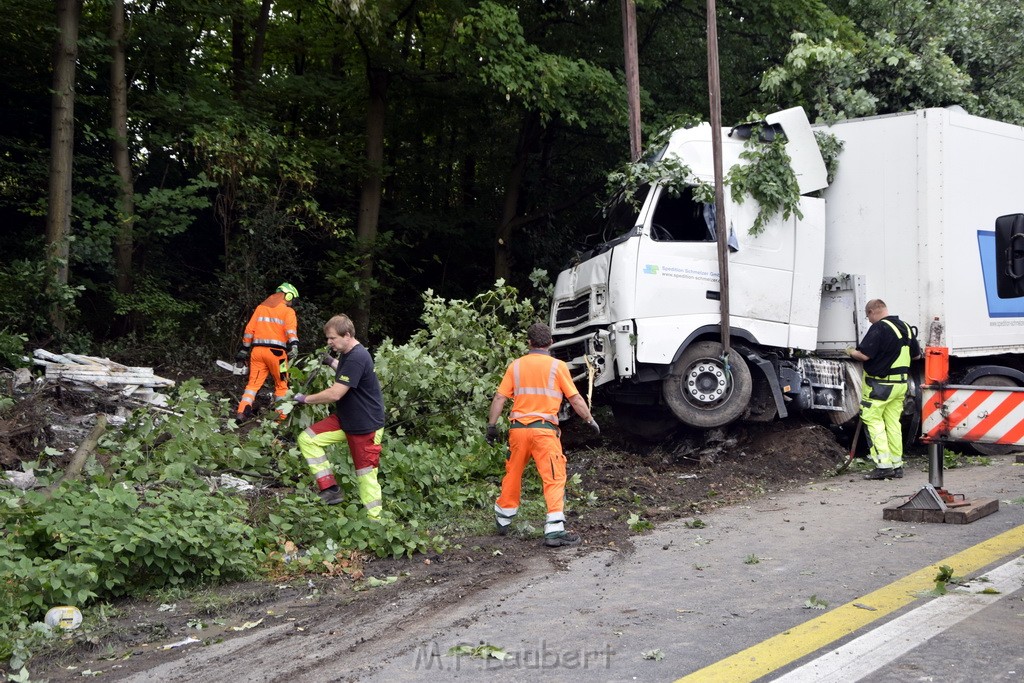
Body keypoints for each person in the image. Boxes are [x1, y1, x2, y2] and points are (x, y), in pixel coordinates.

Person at [486, 322, 600, 547]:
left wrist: (491, 426)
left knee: (513, 472)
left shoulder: (515, 366)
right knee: (554, 477)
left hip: (518, 430)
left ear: (529, 343)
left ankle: (503, 517)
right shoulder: (558, 367)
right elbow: (575, 398)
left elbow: (499, 398)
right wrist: (589, 420)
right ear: (551, 343)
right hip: (544, 432)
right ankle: (555, 530)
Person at [293, 315, 386, 515]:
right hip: (346, 420)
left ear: (347, 335)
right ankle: (330, 489)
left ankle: (376, 522)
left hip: (365, 426)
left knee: (366, 476)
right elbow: (348, 372)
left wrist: (305, 399)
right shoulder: (347, 352)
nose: (329, 342)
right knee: (308, 439)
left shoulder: (358, 357)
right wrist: (331, 362)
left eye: (332, 338)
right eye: (328, 338)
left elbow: (335, 394)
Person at [846, 299, 922, 480]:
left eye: (868, 316)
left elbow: (863, 355)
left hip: (880, 386)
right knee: (893, 424)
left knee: (873, 421)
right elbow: (917, 355)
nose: (869, 320)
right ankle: (897, 465)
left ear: (873, 311)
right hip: (900, 385)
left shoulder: (879, 328)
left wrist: (848, 351)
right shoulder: (905, 328)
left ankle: (883, 466)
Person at [236, 283, 300, 422]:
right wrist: (294, 345)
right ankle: (280, 419)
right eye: (292, 299)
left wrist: (244, 349)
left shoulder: (260, 308)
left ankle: (241, 412)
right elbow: (291, 330)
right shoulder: (288, 312)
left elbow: (249, 330)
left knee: (252, 385)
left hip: (257, 352)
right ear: (288, 296)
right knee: (282, 384)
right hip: (278, 356)